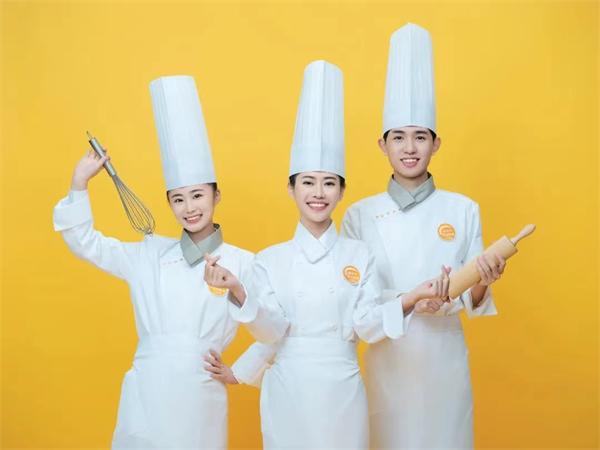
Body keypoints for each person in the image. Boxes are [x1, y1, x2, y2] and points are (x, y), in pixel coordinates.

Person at [205, 60, 451, 449]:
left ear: (341, 191)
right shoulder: (269, 260)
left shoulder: (360, 255)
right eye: (308, 183)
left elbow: (367, 326)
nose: (318, 193)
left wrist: (412, 297)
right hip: (288, 391)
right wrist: (237, 290)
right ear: (291, 189)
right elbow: (271, 332)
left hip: (343, 392)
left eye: (329, 183)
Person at [53, 75, 261, 449]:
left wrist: (240, 372)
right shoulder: (148, 255)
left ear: (216, 196)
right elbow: (85, 243)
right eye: (178, 199)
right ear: (169, 203)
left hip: (200, 398)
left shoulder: (245, 263)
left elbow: (276, 325)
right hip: (146, 394)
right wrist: (79, 183)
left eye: (198, 195)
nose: (189, 208)